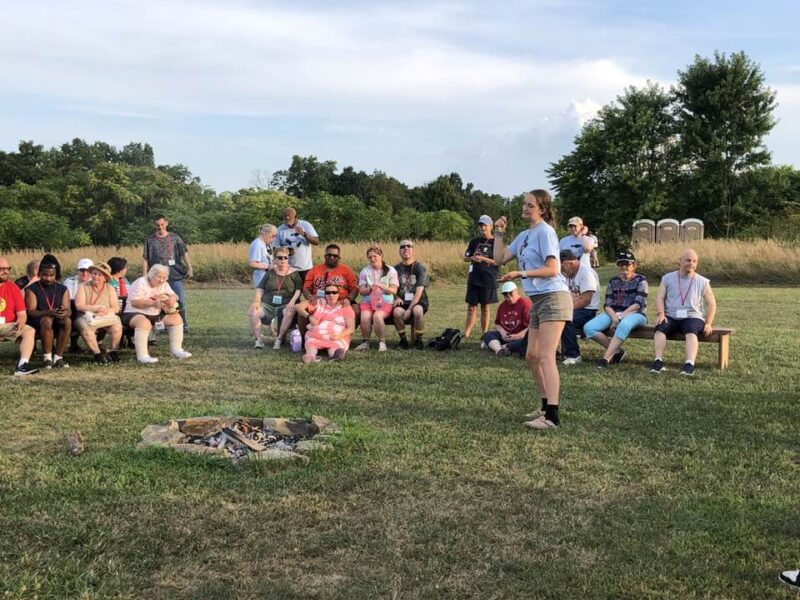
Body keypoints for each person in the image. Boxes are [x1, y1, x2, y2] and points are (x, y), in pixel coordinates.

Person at [493, 189, 572, 431]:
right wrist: (498, 234)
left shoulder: (546, 232)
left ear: (543, 209)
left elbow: (553, 268)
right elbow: (499, 258)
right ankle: (545, 405)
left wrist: (521, 273)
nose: (525, 207)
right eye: (524, 204)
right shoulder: (525, 235)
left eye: (530, 205)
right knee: (531, 356)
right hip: (539, 301)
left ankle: (552, 417)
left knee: (546, 356)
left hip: (554, 298)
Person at [650, 248, 717, 376]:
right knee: (660, 329)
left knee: (691, 330)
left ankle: (689, 364)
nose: (691, 264)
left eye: (694, 261)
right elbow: (660, 297)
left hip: (693, 316)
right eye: (688, 260)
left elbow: (712, 303)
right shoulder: (667, 278)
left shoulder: (702, 281)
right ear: (680, 261)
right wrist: (661, 314)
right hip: (671, 315)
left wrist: (708, 323)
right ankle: (658, 361)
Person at [583, 250, 648, 368]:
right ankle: (617, 351)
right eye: (621, 264)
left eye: (627, 264)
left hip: (636, 314)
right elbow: (607, 305)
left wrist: (620, 317)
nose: (624, 267)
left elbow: (637, 304)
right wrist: (614, 318)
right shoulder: (613, 281)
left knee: (624, 324)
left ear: (634, 266)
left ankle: (605, 359)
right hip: (614, 313)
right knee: (589, 328)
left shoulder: (641, 280)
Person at [122, 264, 191, 364]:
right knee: (144, 323)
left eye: (164, 277)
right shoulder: (140, 282)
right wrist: (152, 303)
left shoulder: (164, 284)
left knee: (176, 318)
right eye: (159, 277)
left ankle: (176, 350)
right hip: (134, 312)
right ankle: (142, 356)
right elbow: (135, 302)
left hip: (155, 313)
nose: (161, 280)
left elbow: (173, 295)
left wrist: (172, 299)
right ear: (151, 275)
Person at [143, 214, 193, 332]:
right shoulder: (149, 240)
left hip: (174, 274)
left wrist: (190, 268)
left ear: (166, 223)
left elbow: (184, 253)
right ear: (154, 225)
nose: (160, 227)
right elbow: (145, 258)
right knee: (159, 302)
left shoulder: (175, 238)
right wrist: (144, 275)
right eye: (157, 225)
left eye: (162, 224)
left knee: (180, 301)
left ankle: (183, 325)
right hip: (157, 278)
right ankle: (161, 327)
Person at [248, 247, 304, 350]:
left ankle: (279, 339)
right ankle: (258, 340)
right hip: (268, 304)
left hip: (285, 304)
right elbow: (260, 288)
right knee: (252, 311)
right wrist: (256, 302)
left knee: (289, 311)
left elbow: (298, 290)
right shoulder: (270, 273)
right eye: (280, 258)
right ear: (275, 260)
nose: (283, 260)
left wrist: (292, 302)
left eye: (285, 258)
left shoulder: (294, 273)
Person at [296, 244, 359, 330]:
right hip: (319, 300)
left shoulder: (346, 270)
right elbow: (306, 288)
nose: (332, 257)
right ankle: (303, 339)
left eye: (335, 256)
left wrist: (349, 298)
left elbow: (354, 288)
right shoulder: (315, 270)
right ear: (325, 256)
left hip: (341, 300)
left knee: (357, 310)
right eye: (329, 255)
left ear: (339, 258)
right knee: (303, 310)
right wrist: (310, 296)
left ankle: (345, 335)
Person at [25, 260, 72, 369]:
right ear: (39, 274)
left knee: (67, 321)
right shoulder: (32, 289)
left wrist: (64, 312)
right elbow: (31, 312)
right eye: (45, 275)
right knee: (47, 320)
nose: (48, 278)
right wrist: (48, 312)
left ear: (56, 275)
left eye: (52, 275)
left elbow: (68, 310)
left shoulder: (62, 288)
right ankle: (47, 358)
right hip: (38, 320)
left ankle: (58, 357)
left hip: (57, 318)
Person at [74, 262, 123, 364]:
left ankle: (113, 352)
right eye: (94, 273)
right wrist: (95, 309)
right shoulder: (83, 287)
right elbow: (79, 305)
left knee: (117, 327)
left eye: (99, 275)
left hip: (105, 316)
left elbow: (116, 308)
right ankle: (97, 354)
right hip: (85, 316)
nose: (96, 276)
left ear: (105, 278)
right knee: (86, 329)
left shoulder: (110, 288)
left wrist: (106, 311)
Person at [559, 249, 600, 365]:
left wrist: (566, 309)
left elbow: (586, 300)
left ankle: (574, 355)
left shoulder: (586, 273)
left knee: (566, 319)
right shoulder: (569, 274)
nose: (561, 270)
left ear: (571, 263)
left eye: (562, 266)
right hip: (575, 307)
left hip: (588, 310)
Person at [355, 246, 398, 352]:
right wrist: (369, 288)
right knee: (365, 317)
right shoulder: (365, 271)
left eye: (375, 256)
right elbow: (361, 290)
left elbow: (394, 290)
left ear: (381, 256)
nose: (372, 259)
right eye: (370, 257)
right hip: (368, 301)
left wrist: (382, 286)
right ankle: (365, 342)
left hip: (385, 301)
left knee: (377, 316)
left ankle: (382, 342)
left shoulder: (390, 270)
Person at [0, 257, 38, 376]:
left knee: (29, 330)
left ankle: (22, 366)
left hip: (9, 326)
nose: (6, 271)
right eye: (2, 269)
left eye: (8, 268)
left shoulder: (13, 287)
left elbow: (22, 314)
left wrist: (18, 326)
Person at [463, 215, 499, 340]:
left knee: (485, 307)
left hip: (488, 278)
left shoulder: (496, 242)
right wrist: (472, 258)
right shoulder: (474, 241)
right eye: (481, 225)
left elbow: (498, 261)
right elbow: (465, 257)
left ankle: (484, 333)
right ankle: (466, 333)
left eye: (485, 225)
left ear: (491, 226)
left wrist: (483, 258)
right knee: (471, 307)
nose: (483, 227)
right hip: (474, 278)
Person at [302, 284, 357, 363]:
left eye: (334, 292)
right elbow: (298, 307)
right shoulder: (320, 303)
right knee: (310, 344)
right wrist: (310, 317)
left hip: (336, 337)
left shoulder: (345, 306)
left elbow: (351, 328)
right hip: (316, 336)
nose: (331, 295)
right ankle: (310, 356)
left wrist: (337, 336)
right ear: (325, 294)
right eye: (328, 293)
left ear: (338, 294)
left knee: (335, 347)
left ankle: (335, 355)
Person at [393, 240, 429, 349]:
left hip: (419, 301)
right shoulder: (395, 269)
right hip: (403, 301)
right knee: (396, 312)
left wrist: (409, 309)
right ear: (399, 251)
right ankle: (403, 340)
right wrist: (396, 297)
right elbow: (392, 287)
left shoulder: (420, 267)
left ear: (413, 250)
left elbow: (419, 292)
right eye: (402, 247)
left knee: (417, 311)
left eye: (409, 246)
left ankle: (419, 340)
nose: (406, 249)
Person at [480, 281, 531, 357]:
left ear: (516, 291)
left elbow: (532, 325)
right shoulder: (502, 305)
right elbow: (498, 324)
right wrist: (503, 332)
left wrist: (518, 335)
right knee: (487, 334)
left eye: (511, 293)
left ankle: (503, 346)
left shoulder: (526, 304)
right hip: (507, 335)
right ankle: (499, 350)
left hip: (521, 336)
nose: (508, 296)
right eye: (505, 294)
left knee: (528, 341)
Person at [273, 207, 319, 281]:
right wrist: (286, 251)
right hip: (289, 269)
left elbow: (316, 241)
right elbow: (275, 249)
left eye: (290, 220)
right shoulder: (280, 229)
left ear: (296, 217)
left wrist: (304, 234)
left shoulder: (305, 225)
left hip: (305, 268)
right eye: (286, 221)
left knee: (307, 290)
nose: (288, 223)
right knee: (292, 292)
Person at [64, 258, 93, 353]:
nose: (84, 273)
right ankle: (73, 345)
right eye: (82, 271)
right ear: (78, 271)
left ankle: (98, 344)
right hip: (74, 309)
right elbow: (70, 298)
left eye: (87, 271)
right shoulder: (70, 281)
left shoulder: (95, 281)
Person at [248, 224, 277, 288]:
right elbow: (252, 263)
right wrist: (269, 266)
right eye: (273, 236)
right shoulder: (257, 244)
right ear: (265, 233)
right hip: (261, 278)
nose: (274, 238)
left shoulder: (265, 244)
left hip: (267, 277)